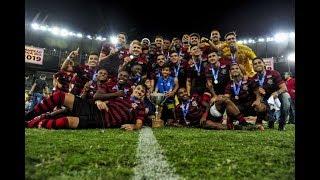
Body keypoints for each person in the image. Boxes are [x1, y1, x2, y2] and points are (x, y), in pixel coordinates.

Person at [25, 72, 146, 131]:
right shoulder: (123, 95)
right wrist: (99, 101)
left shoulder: (141, 107)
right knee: (59, 96)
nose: (140, 92)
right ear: (134, 89)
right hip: (91, 106)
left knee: (66, 121)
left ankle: (30, 124)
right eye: (139, 89)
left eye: (142, 92)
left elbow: (139, 122)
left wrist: (134, 126)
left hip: (100, 120)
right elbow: (104, 99)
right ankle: (29, 115)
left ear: (144, 95)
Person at [250, 57, 291, 130]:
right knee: (258, 105)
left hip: (277, 97)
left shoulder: (273, 73)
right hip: (265, 100)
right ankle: (269, 120)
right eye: (255, 64)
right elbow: (256, 94)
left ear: (264, 64)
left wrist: (277, 92)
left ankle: (282, 124)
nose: (257, 65)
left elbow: (284, 88)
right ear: (253, 67)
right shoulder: (253, 79)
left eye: (259, 62)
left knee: (286, 96)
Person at [225, 63, 266, 130]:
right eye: (232, 69)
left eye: (236, 68)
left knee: (261, 106)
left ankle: (259, 122)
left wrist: (258, 100)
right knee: (228, 105)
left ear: (241, 70)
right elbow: (226, 97)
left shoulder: (249, 80)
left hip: (251, 106)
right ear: (230, 72)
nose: (234, 70)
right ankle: (240, 123)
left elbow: (257, 92)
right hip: (238, 109)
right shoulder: (229, 84)